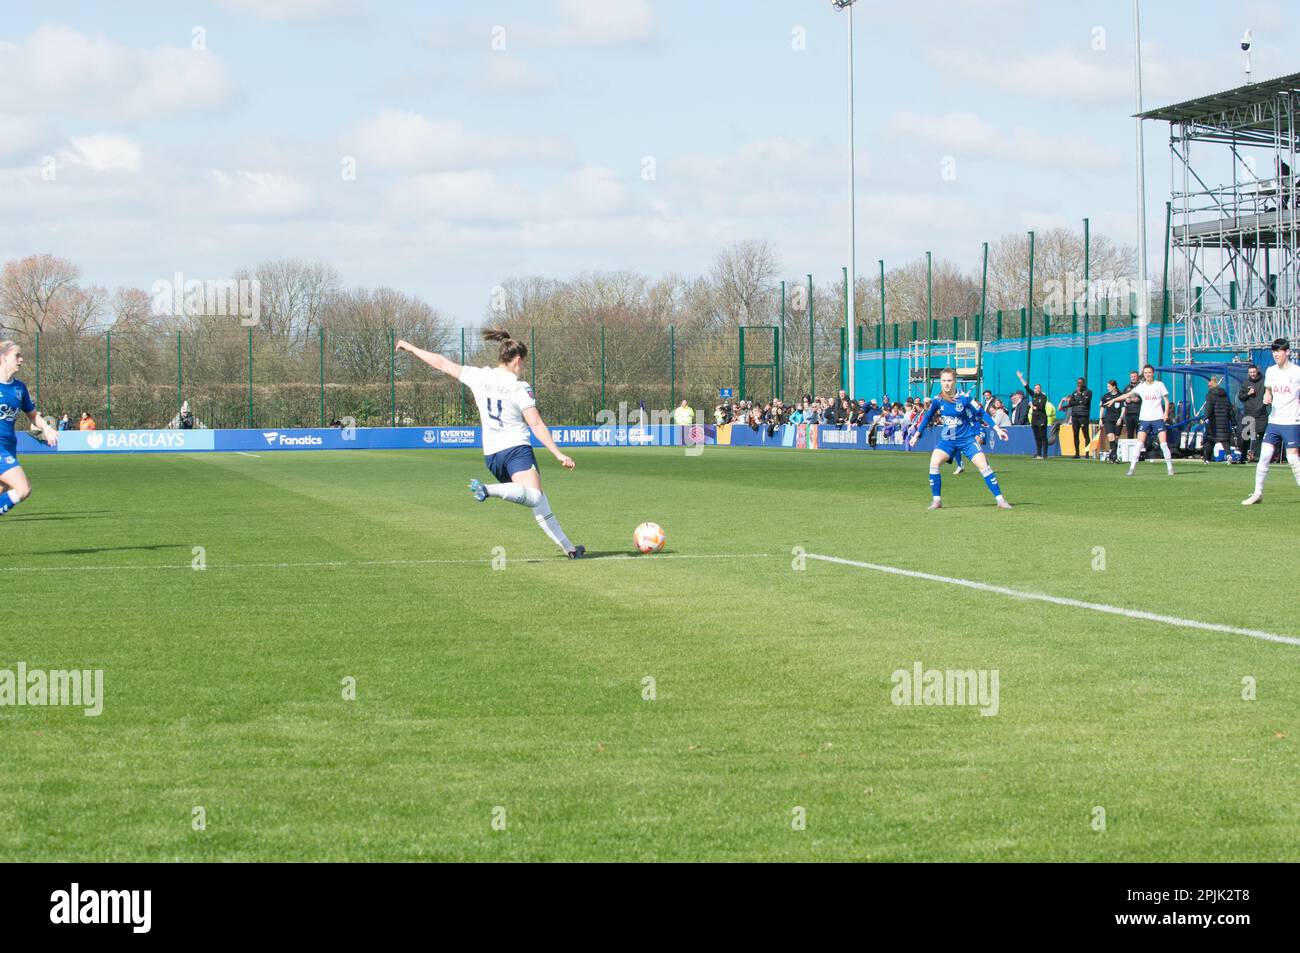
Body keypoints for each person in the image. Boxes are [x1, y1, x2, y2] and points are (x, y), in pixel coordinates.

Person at [396, 330, 584, 558]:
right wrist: (557, 453)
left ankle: (570, 549)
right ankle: (487, 489)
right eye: (523, 364)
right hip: (516, 450)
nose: (523, 368)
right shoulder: (519, 387)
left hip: (492, 457)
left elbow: (442, 363)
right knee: (534, 497)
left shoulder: (479, 376)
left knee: (539, 500)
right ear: (517, 361)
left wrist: (411, 348)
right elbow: (535, 423)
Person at [909, 368, 1011, 509]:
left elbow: (982, 413)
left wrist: (997, 429)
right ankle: (937, 500)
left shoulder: (964, 398)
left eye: (949, 380)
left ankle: (1000, 500)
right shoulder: (938, 400)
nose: (946, 384)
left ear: (955, 381)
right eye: (943, 380)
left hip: (967, 439)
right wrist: (916, 435)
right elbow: (927, 417)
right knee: (934, 464)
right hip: (947, 440)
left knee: (984, 466)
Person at [0, 341, 59, 517]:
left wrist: (46, 428)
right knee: (23, 489)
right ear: (3, 358)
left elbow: (32, 415)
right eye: (17, 356)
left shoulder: (19, 388)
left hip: (9, 446)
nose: (21, 359)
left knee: (5, 489)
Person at [1241, 338, 1300, 505]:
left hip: (1292, 421)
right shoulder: (1271, 371)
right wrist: (1267, 396)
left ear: (1287, 352)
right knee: (1264, 457)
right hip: (1274, 421)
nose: (1275, 354)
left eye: (1278, 351)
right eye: (1273, 351)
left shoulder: (1297, 372)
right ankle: (1257, 493)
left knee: (1293, 459)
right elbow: (1268, 391)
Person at [1122, 364, 1175, 477]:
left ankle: (1170, 467)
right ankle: (1132, 468)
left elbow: (1166, 400)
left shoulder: (1159, 385)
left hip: (1157, 418)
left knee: (1163, 444)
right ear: (1144, 374)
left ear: (1153, 373)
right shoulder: (1141, 386)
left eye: (1149, 372)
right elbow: (1127, 395)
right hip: (1145, 419)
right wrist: (1113, 400)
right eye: (1145, 373)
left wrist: (1165, 413)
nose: (1147, 374)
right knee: (1139, 443)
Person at [1237, 364, 1269, 461]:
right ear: (1248, 373)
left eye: (1254, 372)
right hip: (1248, 413)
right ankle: (1243, 457)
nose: (1252, 374)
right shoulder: (1246, 383)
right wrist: (1248, 393)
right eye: (1250, 372)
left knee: (1259, 436)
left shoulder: (1264, 382)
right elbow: (1241, 397)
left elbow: (1269, 393)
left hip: (1261, 414)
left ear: (1257, 371)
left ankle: (1257, 457)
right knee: (1245, 436)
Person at [1015, 370, 1049, 458]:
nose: (1037, 389)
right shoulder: (1033, 395)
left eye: (1038, 388)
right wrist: (1021, 377)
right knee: (1037, 436)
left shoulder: (1043, 396)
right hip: (1034, 418)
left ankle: (1045, 454)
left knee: (1043, 436)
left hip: (1042, 418)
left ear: (1040, 389)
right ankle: (1038, 454)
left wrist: (1033, 406)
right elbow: (1026, 387)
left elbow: (1041, 407)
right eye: (1036, 388)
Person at [1057, 378, 1093, 459]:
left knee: (1085, 435)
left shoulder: (1088, 392)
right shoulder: (1074, 393)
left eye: (1080, 382)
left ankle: (1087, 454)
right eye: (1078, 383)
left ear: (1084, 383)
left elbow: (1085, 401)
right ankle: (1077, 453)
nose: (1079, 384)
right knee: (1075, 435)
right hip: (1075, 416)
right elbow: (1071, 403)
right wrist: (1077, 401)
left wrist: (1079, 397)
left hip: (1083, 416)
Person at [1200, 375, 1233, 463]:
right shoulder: (1224, 394)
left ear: (1212, 383)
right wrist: (1232, 420)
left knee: (1210, 440)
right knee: (1224, 439)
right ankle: (1229, 455)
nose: (1208, 384)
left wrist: (1206, 417)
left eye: (1209, 382)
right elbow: (1229, 407)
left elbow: (1209, 406)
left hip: (1213, 421)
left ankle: (1206, 459)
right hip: (1223, 420)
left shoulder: (1210, 393)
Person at [1099, 380, 1123, 463]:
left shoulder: (1121, 396)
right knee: (1110, 437)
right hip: (1108, 419)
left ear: (1114, 387)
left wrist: (1120, 418)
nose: (1107, 388)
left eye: (1109, 386)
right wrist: (1100, 419)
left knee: (1116, 438)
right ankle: (1113, 456)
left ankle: (1113, 456)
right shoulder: (1105, 396)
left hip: (1117, 419)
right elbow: (1102, 408)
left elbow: (1123, 408)